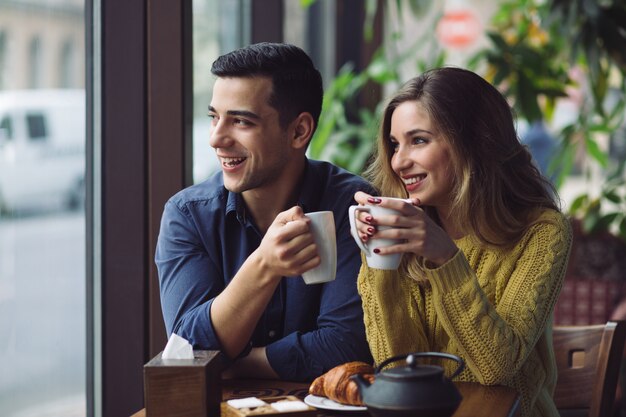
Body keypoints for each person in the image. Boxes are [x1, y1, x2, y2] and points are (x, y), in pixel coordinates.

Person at [352, 67, 572, 417]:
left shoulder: (542, 231)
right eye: (395, 144)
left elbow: (496, 368)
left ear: (474, 141)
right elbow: (396, 371)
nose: (399, 162)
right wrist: (379, 262)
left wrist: (445, 257)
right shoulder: (406, 233)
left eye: (419, 140)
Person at [155, 42, 374, 381]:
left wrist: (233, 363)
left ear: (299, 131)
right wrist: (264, 265)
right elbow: (188, 353)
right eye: (214, 117)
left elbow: (345, 347)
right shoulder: (188, 215)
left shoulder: (350, 205)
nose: (216, 138)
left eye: (241, 121)